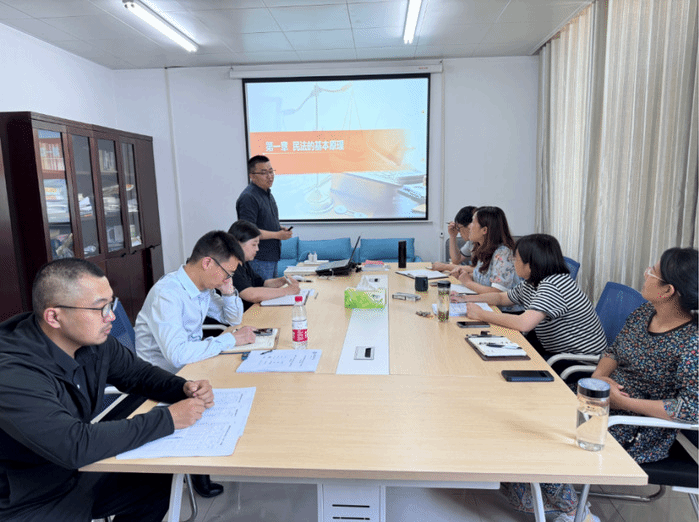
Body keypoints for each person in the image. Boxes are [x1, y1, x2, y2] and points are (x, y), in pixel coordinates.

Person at [0, 258, 214, 522]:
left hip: (78, 472)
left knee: (155, 480)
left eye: (110, 304)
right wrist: (168, 419)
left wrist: (183, 387)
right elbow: (73, 444)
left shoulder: (91, 340)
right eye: (100, 308)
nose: (111, 316)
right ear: (54, 317)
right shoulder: (12, 372)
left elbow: (139, 375)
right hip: (25, 498)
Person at [501, 247, 698, 522]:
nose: (645, 274)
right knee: (524, 414)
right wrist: (597, 379)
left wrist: (622, 402)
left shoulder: (692, 342)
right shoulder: (645, 313)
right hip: (602, 402)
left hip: (639, 427)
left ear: (668, 290)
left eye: (652, 272)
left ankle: (575, 512)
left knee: (545, 438)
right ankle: (537, 496)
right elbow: (613, 351)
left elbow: (691, 409)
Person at [135, 230, 256, 499]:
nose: (228, 279)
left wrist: (228, 291)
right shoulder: (168, 294)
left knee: (242, 383)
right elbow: (177, 355)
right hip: (160, 379)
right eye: (227, 273)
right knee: (227, 392)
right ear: (207, 263)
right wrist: (229, 341)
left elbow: (233, 319)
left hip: (190, 367)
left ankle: (205, 463)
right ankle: (197, 467)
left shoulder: (201, 288)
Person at [454, 233, 607, 358]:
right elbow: (501, 297)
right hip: (552, 348)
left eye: (516, 258)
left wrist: (481, 314)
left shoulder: (553, 285)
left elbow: (524, 323)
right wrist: (465, 298)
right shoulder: (533, 282)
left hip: (577, 361)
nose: (513, 262)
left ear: (531, 263)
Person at [450, 206, 523, 311]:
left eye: (473, 222)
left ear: (484, 230)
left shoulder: (503, 253)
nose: (469, 226)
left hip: (504, 312)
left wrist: (468, 283)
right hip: (487, 306)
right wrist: (465, 275)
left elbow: (497, 293)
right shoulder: (483, 248)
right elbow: (485, 278)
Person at [235, 155, 293, 280]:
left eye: (271, 171)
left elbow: (264, 222)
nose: (269, 176)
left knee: (272, 291)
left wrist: (279, 228)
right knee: (264, 291)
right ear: (252, 175)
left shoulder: (267, 193)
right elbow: (249, 232)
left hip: (272, 256)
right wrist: (278, 235)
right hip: (258, 258)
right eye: (264, 173)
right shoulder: (249, 197)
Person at [228, 220, 301, 311]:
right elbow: (250, 294)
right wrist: (286, 291)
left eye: (257, 245)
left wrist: (283, 280)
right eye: (254, 245)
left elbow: (263, 283)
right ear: (237, 244)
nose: (257, 249)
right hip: (242, 316)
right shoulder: (229, 266)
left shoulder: (244, 263)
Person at [431, 205, 477, 272]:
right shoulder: (471, 242)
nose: (459, 232)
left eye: (459, 228)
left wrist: (446, 266)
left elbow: (478, 270)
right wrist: (452, 236)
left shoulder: (487, 244)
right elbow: (456, 260)